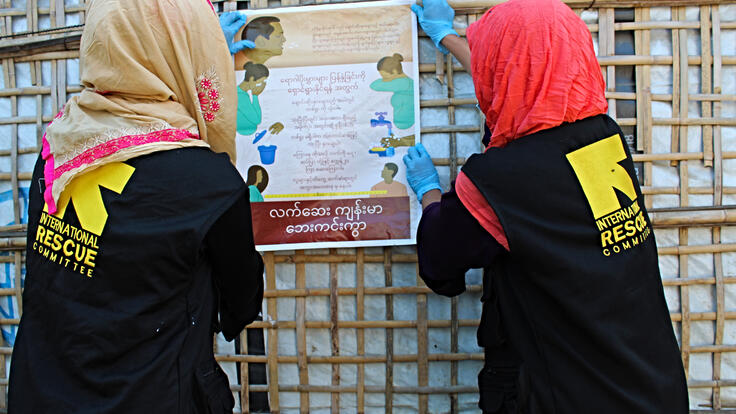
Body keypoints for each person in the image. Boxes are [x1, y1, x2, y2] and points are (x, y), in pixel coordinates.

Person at [406, 0, 689, 413]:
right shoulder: (602, 137)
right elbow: (525, 91)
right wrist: (450, 40)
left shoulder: (498, 183)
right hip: (648, 386)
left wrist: (430, 193)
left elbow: (439, 266)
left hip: (568, 395)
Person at [8, 2, 264, 413]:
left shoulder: (61, 143)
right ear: (187, 51)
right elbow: (241, 305)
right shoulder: (208, 183)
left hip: (40, 391)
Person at [370, 53, 415, 130]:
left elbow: (374, 85)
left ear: (394, 71)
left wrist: (384, 81)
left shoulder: (403, 83)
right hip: (403, 126)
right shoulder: (403, 82)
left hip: (408, 126)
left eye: (385, 76)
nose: (384, 79)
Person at [237, 62, 269, 136]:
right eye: (260, 82)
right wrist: (255, 96)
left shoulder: (242, 93)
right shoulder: (241, 96)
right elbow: (257, 120)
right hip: (244, 134)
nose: (261, 86)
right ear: (251, 79)